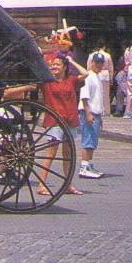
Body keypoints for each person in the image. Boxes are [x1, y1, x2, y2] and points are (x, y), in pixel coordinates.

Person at [37, 53, 84, 195]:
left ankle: (68, 184)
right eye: (53, 65)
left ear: (64, 67)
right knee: (51, 152)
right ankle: (41, 184)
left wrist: (72, 61)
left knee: (68, 153)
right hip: (55, 120)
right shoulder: (47, 81)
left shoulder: (71, 79)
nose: (55, 67)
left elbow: (86, 73)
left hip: (70, 119)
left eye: (58, 65)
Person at [71, 53, 105, 179]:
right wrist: (88, 113)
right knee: (88, 140)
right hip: (89, 112)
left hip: (96, 112)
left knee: (93, 140)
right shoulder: (89, 77)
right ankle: (84, 167)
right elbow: (84, 97)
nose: (99, 65)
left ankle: (89, 165)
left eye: (101, 63)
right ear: (91, 63)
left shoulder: (97, 77)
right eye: (96, 63)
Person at [87, 39, 114, 124]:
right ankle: (106, 111)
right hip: (105, 75)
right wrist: (111, 77)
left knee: (95, 93)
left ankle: (96, 109)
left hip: (95, 74)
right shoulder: (107, 55)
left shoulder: (91, 55)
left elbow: (88, 66)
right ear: (104, 47)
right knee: (106, 94)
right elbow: (111, 68)